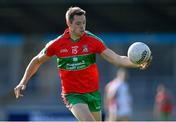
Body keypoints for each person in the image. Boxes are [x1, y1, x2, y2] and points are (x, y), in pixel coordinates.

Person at [14, 6, 152, 121]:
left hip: (93, 94)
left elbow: (117, 59)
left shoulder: (93, 41)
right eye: (78, 24)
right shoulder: (56, 44)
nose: (82, 27)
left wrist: (139, 63)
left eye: (84, 23)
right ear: (69, 24)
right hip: (72, 95)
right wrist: (23, 81)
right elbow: (36, 60)